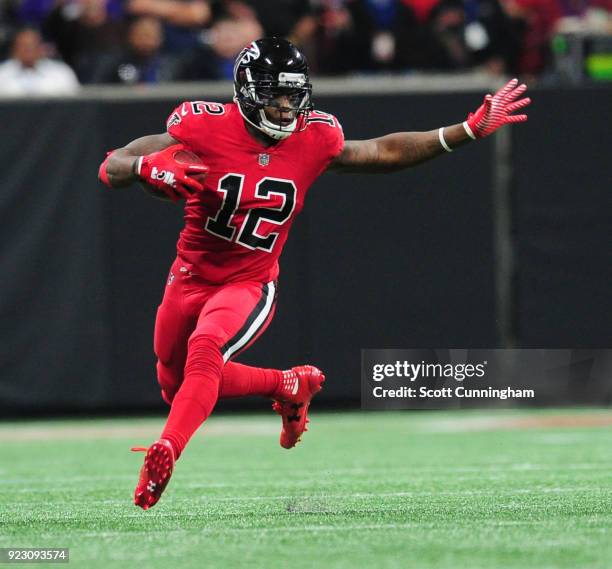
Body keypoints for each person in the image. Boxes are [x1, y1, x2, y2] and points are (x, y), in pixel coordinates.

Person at [98, 37, 530, 510]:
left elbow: (380, 152)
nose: (285, 107)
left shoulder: (315, 137)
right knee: (173, 383)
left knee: (207, 349)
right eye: (274, 94)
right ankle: (287, 384)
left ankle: (166, 450)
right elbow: (112, 164)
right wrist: (144, 167)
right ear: (245, 90)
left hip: (249, 281)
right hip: (190, 274)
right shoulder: (202, 125)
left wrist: (466, 129)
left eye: (292, 94)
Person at [0, 27, 79, 96]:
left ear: (40, 48)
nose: (28, 51)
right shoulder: (2, 73)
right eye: (23, 47)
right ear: (14, 49)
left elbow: (75, 105)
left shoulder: (61, 73)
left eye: (31, 46)